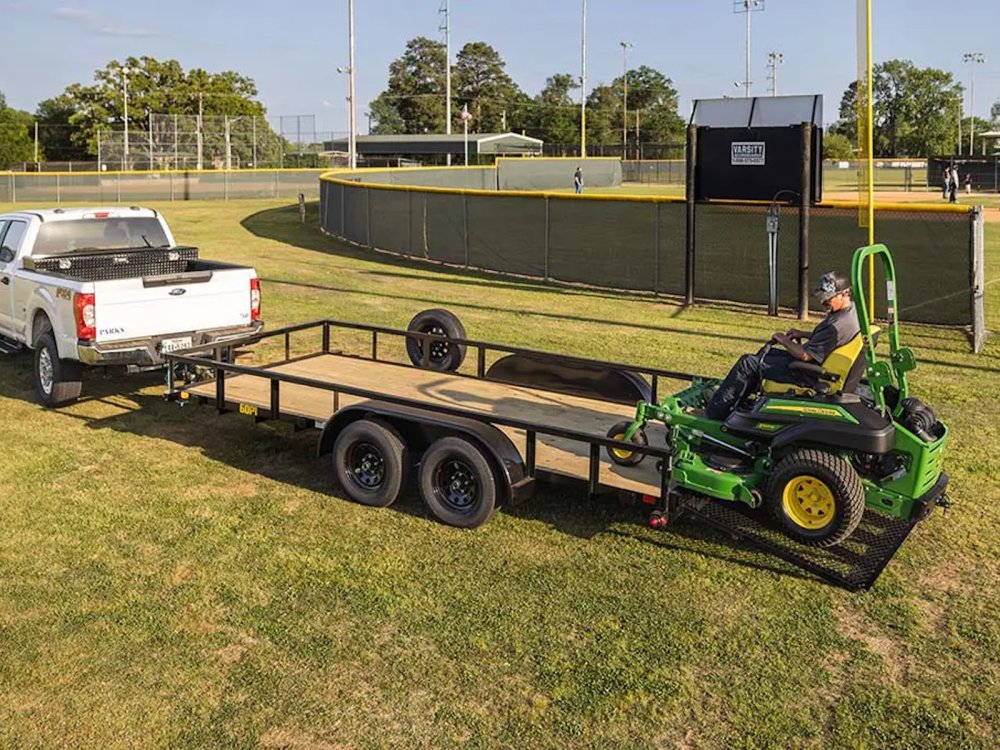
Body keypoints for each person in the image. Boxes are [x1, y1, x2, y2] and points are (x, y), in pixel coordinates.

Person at [705, 272, 861, 420]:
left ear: (844, 293)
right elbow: (830, 341)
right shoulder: (852, 312)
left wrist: (782, 339)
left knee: (747, 363)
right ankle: (736, 400)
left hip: (808, 373)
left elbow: (805, 356)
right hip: (821, 365)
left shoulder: (836, 325)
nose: (824, 302)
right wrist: (804, 334)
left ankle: (716, 412)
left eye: (829, 298)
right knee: (763, 356)